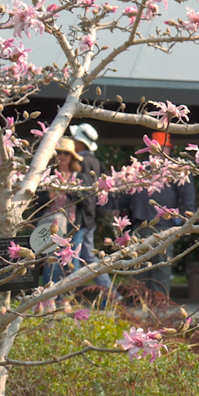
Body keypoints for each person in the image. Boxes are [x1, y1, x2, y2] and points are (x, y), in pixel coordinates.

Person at [114, 131, 196, 297]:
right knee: (139, 263)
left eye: (161, 148)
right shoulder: (140, 167)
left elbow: (187, 195)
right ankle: (139, 299)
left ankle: (159, 301)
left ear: (168, 149)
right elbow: (127, 190)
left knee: (161, 266)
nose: (158, 152)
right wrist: (118, 207)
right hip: (139, 222)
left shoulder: (176, 168)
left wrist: (188, 217)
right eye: (155, 148)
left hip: (165, 225)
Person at [67, 122, 119, 302]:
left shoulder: (82, 162)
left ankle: (66, 297)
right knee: (88, 258)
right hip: (89, 218)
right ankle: (112, 296)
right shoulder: (96, 162)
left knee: (74, 259)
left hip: (81, 219)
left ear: (80, 143)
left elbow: (86, 195)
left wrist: (67, 189)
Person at [34, 136, 87, 312]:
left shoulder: (79, 177)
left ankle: (65, 299)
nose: (63, 156)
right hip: (51, 225)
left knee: (73, 263)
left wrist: (69, 190)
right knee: (51, 262)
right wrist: (47, 196)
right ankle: (48, 298)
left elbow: (87, 202)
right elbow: (36, 202)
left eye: (66, 153)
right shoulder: (47, 176)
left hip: (73, 226)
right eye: (59, 153)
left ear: (72, 157)